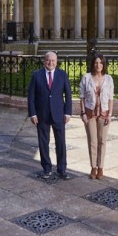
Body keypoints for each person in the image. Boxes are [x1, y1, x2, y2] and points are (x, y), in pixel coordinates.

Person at [27, 51, 74, 180]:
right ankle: (47, 168)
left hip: (58, 114)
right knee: (43, 142)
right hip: (42, 115)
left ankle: (62, 169)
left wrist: (68, 112)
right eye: (48, 60)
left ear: (56, 61)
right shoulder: (36, 75)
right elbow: (31, 97)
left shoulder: (62, 75)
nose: (51, 63)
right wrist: (32, 114)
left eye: (53, 60)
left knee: (61, 143)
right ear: (44, 61)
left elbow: (68, 95)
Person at [79, 53, 114, 180]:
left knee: (102, 141)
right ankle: (93, 167)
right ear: (92, 64)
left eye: (100, 63)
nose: (98, 65)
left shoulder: (109, 79)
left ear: (103, 64)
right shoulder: (86, 78)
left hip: (104, 114)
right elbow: (82, 97)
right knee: (93, 141)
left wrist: (110, 114)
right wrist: (82, 113)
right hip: (90, 114)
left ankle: (100, 167)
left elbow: (111, 99)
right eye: (96, 63)